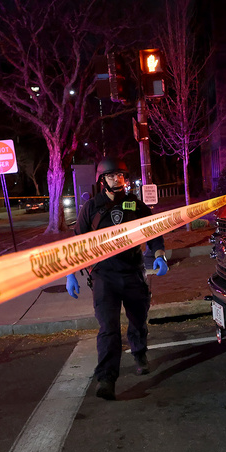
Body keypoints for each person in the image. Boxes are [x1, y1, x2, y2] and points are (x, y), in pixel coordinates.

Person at [65, 158, 169, 401]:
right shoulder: (91, 207)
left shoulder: (135, 204)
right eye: (112, 176)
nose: (117, 179)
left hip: (132, 272)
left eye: (121, 175)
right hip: (104, 276)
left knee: (138, 319)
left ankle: (139, 353)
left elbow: (153, 230)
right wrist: (70, 273)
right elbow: (76, 242)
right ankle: (106, 378)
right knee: (108, 329)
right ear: (102, 180)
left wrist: (160, 255)